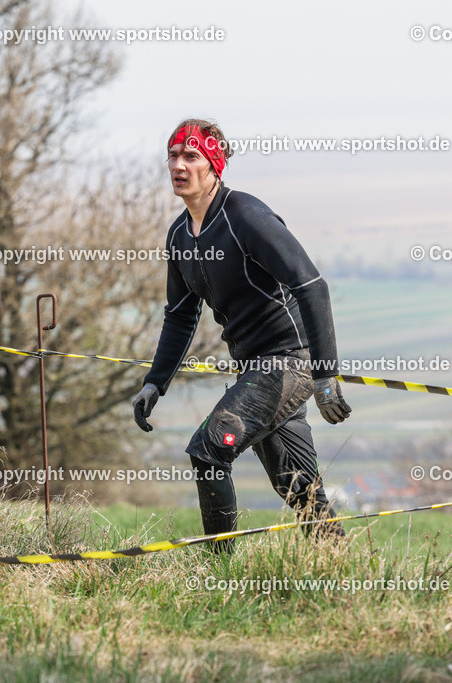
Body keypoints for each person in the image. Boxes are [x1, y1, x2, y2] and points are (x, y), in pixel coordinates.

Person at [131, 118, 352, 553]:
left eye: (190, 156)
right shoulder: (179, 235)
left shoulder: (245, 215)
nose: (179, 165)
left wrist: (325, 376)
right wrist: (155, 382)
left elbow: (311, 286)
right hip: (255, 368)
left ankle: (219, 569)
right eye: (173, 156)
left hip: (290, 360)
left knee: (209, 450)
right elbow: (179, 317)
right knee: (299, 487)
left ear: (214, 165)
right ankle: (340, 564)